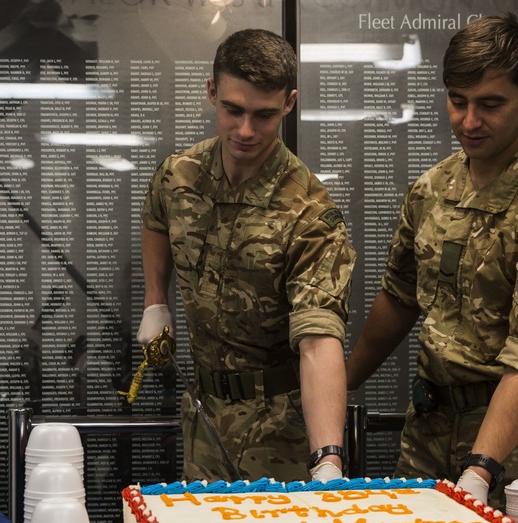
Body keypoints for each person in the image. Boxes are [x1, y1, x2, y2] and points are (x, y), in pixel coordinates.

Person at [345, 14, 518, 507]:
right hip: (430, 432)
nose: (469, 122)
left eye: (490, 105)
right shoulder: (433, 189)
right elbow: (400, 296)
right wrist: (339, 384)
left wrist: (480, 469)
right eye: (458, 102)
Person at [137, 28, 355, 484]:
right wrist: (156, 300)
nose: (245, 130)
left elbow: (318, 340)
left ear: (289, 104)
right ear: (212, 92)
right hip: (203, 415)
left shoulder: (309, 211)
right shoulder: (180, 175)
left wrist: (328, 458)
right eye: (233, 110)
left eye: (264, 115)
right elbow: (156, 217)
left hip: (278, 428)